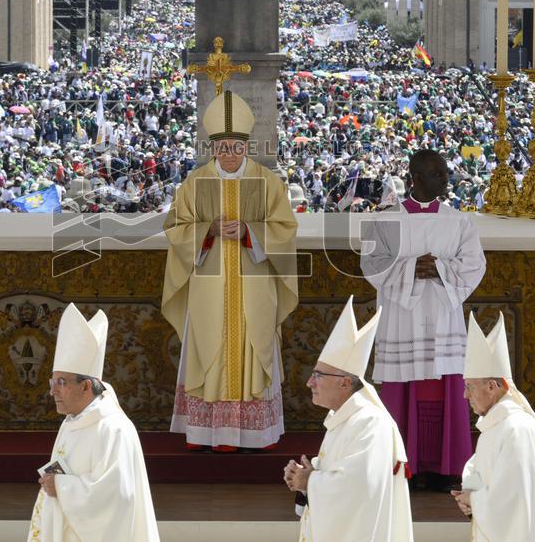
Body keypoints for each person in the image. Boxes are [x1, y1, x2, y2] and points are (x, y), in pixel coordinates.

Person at [162, 89, 298, 450]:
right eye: (223, 147)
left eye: (237, 147)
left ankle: (256, 432)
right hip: (209, 285)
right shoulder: (195, 183)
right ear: (213, 148)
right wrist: (207, 230)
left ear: (247, 146)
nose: (231, 154)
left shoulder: (268, 182)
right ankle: (208, 432)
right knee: (210, 344)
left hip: (254, 285)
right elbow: (175, 227)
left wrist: (250, 232)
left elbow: (285, 229)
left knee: (253, 344)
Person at [360, 149, 486, 490]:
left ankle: (447, 469)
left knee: (447, 390)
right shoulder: (384, 221)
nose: (445, 179)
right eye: (438, 174)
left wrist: (441, 268)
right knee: (403, 391)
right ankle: (404, 466)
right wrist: (415, 267)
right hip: (403, 319)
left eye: (445, 173)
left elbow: (475, 264)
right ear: (415, 178)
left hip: (444, 320)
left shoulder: (459, 221)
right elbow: (371, 264)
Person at [284, 296, 413, 541]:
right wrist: (306, 481)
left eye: (318, 375)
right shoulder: (344, 419)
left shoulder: (371, 424)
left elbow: (359, 487)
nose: (309, 382)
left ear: (345, 382)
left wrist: (310, 480)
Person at [27, 303, 159, 541]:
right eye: (52, 382)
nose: (52, 392)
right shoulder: (71, 421)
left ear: (86, 385)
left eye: (62, 383)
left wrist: (62, 488)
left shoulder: (113, 429)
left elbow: (117, 497)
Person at [451, 314, 535, 541]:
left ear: (492, 386)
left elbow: (512, 500)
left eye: (470, 387)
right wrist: (470, 493)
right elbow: (479, 468)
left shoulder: (516, 429)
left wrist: (474, 500)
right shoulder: (496, 423)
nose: (465, 395)